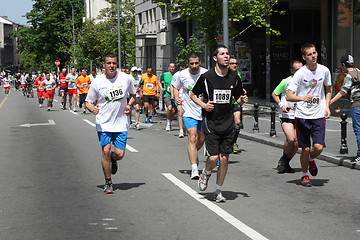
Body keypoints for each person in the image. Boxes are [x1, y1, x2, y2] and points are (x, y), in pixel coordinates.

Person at [190, 45, 247, 202]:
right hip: (211, 122)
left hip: (228, 123)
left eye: (228, 54)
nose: (226, 56)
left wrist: (242, 100)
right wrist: (204, 105)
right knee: (214, 157)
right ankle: (206, 173)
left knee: (224, 158)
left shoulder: (234, 77)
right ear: (215, 58)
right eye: (222, 54)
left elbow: (237, 100)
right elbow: (193, 94)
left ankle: (218, 191)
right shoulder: (207, 77)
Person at [85, 53, 136, 194]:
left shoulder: (126, 79)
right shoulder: (97, 82)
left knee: (119, 154)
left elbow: (133, 95)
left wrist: (130, 105)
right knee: (106, 151)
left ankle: (113, 160)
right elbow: (88, 101)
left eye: (114, 63)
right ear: (104, 64)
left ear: (117, 64)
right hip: (104, 122)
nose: (111, 66)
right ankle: (108, 182)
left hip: (120, 122)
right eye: (109, 63)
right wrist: (92, 108)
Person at [286, 43, 332, 187]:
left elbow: (329, 88)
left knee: (318, 147)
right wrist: (302, 98)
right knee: (305, 148)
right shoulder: (300, 74)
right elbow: (289, 96)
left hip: (318, 114)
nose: (313, 56)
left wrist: (327, 106)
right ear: (304, 57)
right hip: (302, 115)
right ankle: (305, 175)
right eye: (310, 54)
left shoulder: (324, 70)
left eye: (314, 53)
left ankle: (311, 159)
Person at [172, 52, 208, 180]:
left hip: (203, 110)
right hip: (189, 111)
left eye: (196, 63)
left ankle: (193, 153)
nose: (194, 66)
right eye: (191, 63)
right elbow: (175, 87)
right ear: (188, 63)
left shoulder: (205, 73)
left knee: (201, 140)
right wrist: (177, 99)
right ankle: (194, 169)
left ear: (200, 62)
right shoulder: (182, 75)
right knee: (192, 138)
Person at [272, 60, 303, 173]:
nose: (300, 72)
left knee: (296, 144)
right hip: (286, 114)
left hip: (299, 114)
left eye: (302, 69)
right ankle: (283, 160)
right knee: (291, 139)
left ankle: (286, 162)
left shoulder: (305, 81)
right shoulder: (286, 81)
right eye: (297, 70)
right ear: (292, 71)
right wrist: (282, 104)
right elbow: (274, 93)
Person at [330, 55, 360, 164]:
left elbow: (343, 92)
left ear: (343, 65)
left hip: (357, 105)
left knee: (358, 130)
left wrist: (330, 102)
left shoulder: (349, 76)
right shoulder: (359, 72)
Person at [228, 56, 246, 154]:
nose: (234, 65)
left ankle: (234, 143)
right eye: (232, 63)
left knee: (237, 123)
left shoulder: (238, 74)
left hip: (236, 102)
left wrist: (242, 91)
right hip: (227, 103)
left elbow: (239, 87)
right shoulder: (225, 74)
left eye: (236, 63)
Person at [171, 62, 187, 138]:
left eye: (184, 67)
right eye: (181, 67)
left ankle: (185, 127)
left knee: (186, 114)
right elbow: (173, 85)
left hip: (187, 98)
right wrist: (173, 95)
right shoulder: (177, 75)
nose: (182, 69)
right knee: (180, 113)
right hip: (179, 97)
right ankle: (181, 130)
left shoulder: (188, 74)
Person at [160, 62, 176, 131]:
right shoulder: (165, 74)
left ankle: (170, 122)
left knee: (173, 111)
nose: (172, 68)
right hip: (167, 94)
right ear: (169, 68)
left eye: (173, 67)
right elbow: (159, 81)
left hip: (175, 95)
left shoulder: (177, 75)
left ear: (174, 68)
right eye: (171, 67)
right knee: (169, 108)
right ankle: (168, 124)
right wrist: (161, 88)